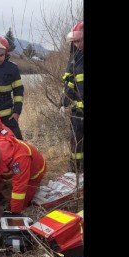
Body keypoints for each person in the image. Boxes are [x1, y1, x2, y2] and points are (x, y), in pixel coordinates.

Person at [0, 137, 47, 217]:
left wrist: (14, 212)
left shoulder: (19, 159)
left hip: (34, 171)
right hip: (8, 162)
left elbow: (20, 186)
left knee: (23, 200)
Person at [59, 22, 84, 173]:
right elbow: (68, 83)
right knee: (76, 142)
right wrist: (63, 103)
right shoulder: (74, 59)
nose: (76, 44)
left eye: (78, 41)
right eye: (73, 41)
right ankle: (75, 169)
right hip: (78, 111)